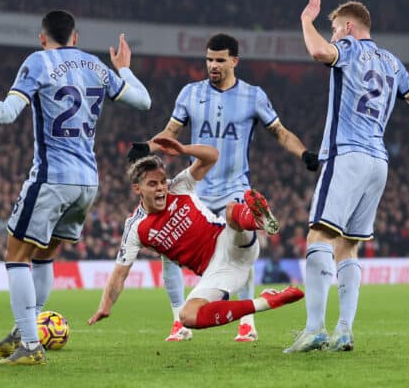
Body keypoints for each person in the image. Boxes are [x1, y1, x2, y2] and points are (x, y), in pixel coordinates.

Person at [0, 10, 151, 365]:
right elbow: (144, 101)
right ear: (75, 37)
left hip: (52, 177)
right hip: (88, 182)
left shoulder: (38, 61)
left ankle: (30, 344)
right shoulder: (95, 65)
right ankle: (23, 332)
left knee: (16, 257)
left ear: (42, 37)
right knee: (44, 255)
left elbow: (6, 113)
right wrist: (124, 68)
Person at [127, 33, 318, 342]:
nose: (212, 65)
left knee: (242, 244)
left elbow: (280, 133)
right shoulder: (190, 93)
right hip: (199, 188)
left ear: (234, 61)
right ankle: (179, 321)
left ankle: (248, 323)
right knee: (167, 249)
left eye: (219, 60)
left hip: (235, 185)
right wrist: (146, 146)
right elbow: (171, 132)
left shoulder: (253, 96)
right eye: (209, 59)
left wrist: (304, 153)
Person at [285, 0, 409, 353]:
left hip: (347, 154)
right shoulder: (392, 62)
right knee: (347, 246)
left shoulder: (349, 47)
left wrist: (306, 21)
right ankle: (345, 331)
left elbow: (321, 53)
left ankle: (315, 328)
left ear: (350, 27)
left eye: (335, 29)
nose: (333, 35)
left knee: (319, 236)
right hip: (378, 162)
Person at [87, 137, 304, 332]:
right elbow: (119, 274)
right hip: (216, 272)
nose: (161, 188)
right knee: (187, 316)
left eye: (162, 181)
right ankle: (267, 301)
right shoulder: (136, 227)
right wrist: (104, 306)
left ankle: (258, 219)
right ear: (137, 189)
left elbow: (212, 156)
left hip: (231, 242)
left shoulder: (179, 186)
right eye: (153, 184)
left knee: (231, 209)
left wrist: (183, 150)